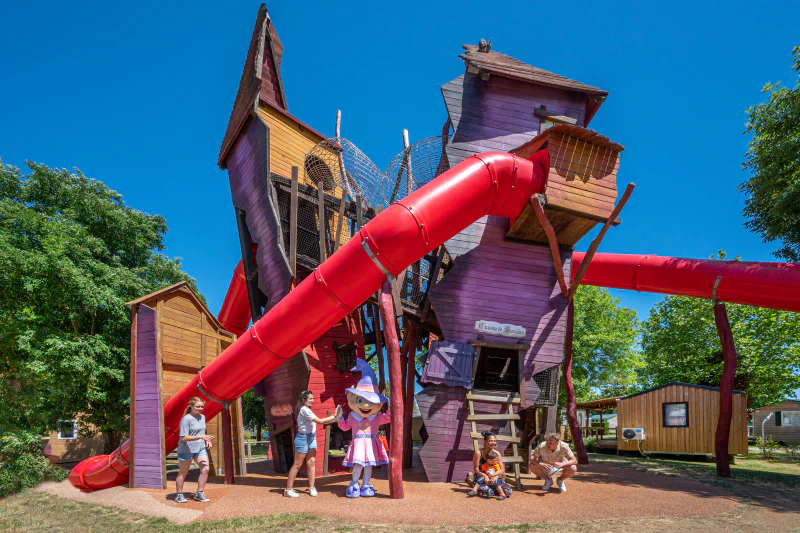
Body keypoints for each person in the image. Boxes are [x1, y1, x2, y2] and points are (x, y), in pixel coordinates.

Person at [285, 390, 341, 498]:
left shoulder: (307, 410)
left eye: (312, 398)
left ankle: (311, 487)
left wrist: (335, 417)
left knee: (311, 462)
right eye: (310, 398)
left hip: (311, 437)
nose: (312, 400)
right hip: (303, 438)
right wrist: (335, 415)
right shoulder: (304, 410)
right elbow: (320, 421)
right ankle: (288, 489)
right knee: (297, 464)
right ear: (304, 399)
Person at [175, 397, 214, 503]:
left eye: (202, 406)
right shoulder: (186, 419)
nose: (200, 408)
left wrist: (207, 440)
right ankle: (179, 495)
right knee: (183, 472)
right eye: (197, 406)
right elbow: (184, 438)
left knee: (205, 469)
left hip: (200, 448)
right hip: (186, 449)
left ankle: (199, 493)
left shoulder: (202, 417)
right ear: (191, 406)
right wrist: (201, 437)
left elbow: (202, 432)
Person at [467, 430, 512, 499]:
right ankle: (484, 489)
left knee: (508, 491)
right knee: (488, 493)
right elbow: (476, 469)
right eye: (491, 441)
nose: (493, 443)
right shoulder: (478, 453)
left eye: (494, 441)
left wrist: (496, 477)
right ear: (485, 441)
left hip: (494, 477)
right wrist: (485, 476)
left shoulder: (497, 453)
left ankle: (494, 488)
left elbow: (502, 469)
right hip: (481, 478)